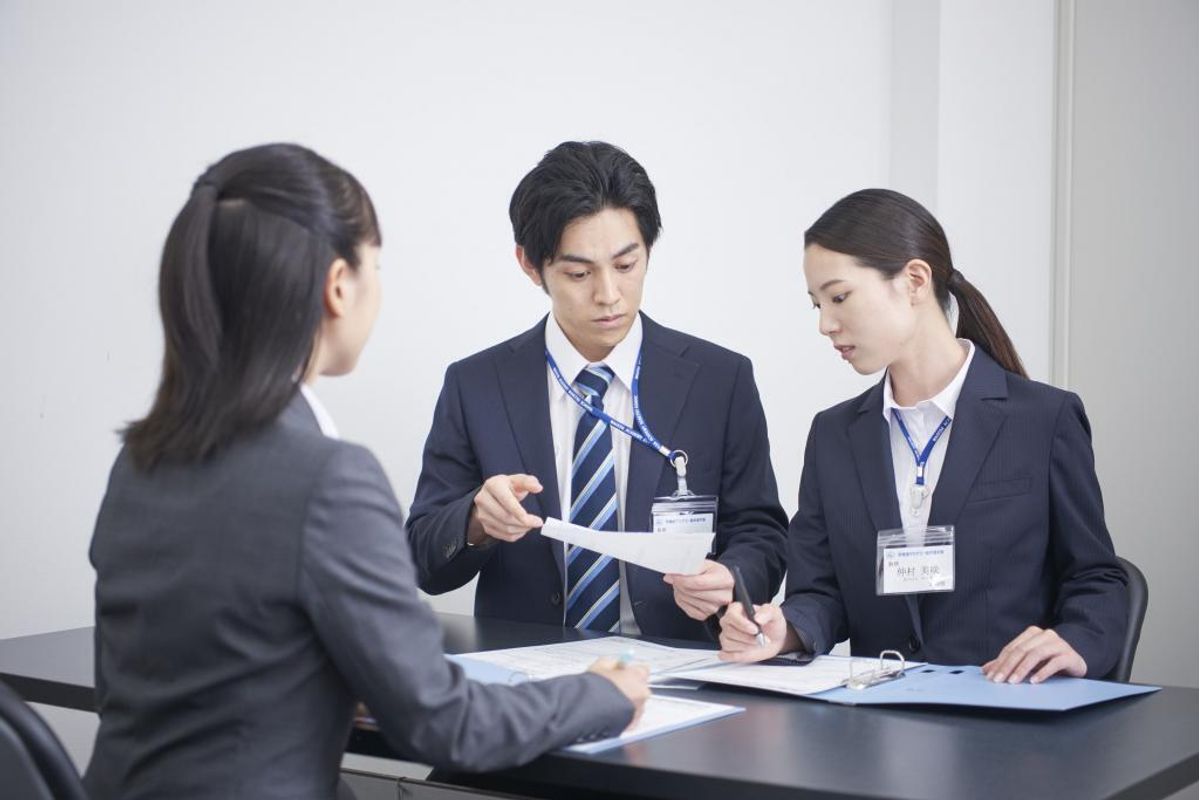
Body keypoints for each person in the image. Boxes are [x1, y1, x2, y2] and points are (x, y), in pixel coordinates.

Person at [83, 143, 649, 800]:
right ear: (338, 285)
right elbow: (446, 723)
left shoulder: (142, 460)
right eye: (375, 265)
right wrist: (600, 695)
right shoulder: (327, 479)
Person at [719, 188, 1128, 683]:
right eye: (817, 305)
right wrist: (784, 628)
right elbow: (820, 594)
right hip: (877, 724)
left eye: (840, 297)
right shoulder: (833, 434)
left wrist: (1077, 639)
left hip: (1007, 721)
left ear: (914, 280)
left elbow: (1096, 577)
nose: (826, 324)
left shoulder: (1043, 419)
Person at [407, 141, 788, 641]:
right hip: (530, 681)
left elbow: (762, 532)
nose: (608, 294)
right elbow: (422, 560)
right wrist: (476, 519)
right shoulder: (477, 385)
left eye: (626, 266)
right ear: (529, 264)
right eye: (579, 273)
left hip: (680, 667)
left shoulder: (720, 380)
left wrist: (731, 578)